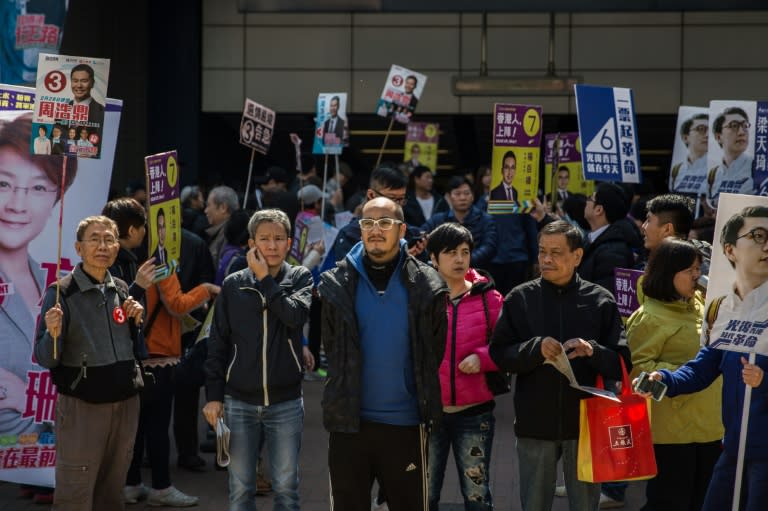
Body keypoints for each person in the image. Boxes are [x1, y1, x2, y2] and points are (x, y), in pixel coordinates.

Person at [489, 220, 631, 511]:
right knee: (534, 503)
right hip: (534, 421)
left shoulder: (600, 300)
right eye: (542, 252)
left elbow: (621, 363)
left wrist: (593, 351)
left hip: (586, 424)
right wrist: (535, 349)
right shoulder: (521, 297)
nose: (546, 259)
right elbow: (500, 353)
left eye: (556, 252)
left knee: (585, 504)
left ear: (577, 256)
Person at [318, 197, 447, 510]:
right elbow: (333, 348)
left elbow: (433, 351)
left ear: (401, 229)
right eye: (368, 222)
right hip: (349, 423)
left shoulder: (427, 285)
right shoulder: (338, 283)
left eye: (385, 222)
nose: (376, 229)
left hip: (405, 424)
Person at [204, 209, 313, 511]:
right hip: (239, 400)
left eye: (279, 239)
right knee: (240, 489)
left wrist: (266, 280)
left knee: (286, 488)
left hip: (286, 401)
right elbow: (218, 343)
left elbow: (294, 316)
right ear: (252, 242)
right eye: (264, 239)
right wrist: (214, 396)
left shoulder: (300, 277)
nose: (272, 246)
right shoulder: (233, 284)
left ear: (289, 242)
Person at [35, 216, 144, 510]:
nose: (103, 246)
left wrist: (136, 321)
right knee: (76, 487)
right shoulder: (62, 292)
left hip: (125, 402)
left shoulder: (121, 288)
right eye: (94, 239)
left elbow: (135, 348)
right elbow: (46, 357)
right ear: (78, 248)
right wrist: (53, 333)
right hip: (83, 406)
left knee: (113, 485)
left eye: (109, 239)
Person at [0, 113, 77, 504]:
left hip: (33, 452)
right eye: (3, 184)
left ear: (56, 199)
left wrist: (27, 394)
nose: (16, 204)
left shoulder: (55, 284)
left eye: (38, 188)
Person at [625, 239, 723, 510]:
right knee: (669, 502)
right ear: (669, 273)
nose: (697, 276)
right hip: (671, 431)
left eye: (698, 268)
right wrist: (679, 374)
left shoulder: (706, 308)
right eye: (690, 270)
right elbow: (639, 371)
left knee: (704, 500)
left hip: (711, 425)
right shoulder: (649, 316)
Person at [123, 241, 217, 507]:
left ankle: (131, 483)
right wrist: (206, 290)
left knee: (138, 426)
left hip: (135, 353)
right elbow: (177, 304)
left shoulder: (123, 260)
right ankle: (161, 487)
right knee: (157, 425)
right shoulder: (159, 260)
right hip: (160, 353)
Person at [426, 223, 503, 511]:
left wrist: (483, 358)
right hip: (428, 412)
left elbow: (507, 346)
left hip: (475, 413)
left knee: (477, 495)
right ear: (433, 258)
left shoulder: (489, 298)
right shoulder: (420, 297)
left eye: (465, 252)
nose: (459, 259)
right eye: (450, 253)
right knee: (425, 494)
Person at [706, 206, 768, 350]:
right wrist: (666, 374)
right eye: (758, 236)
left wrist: (763, 374)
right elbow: (706, 362)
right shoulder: (716, 308)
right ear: (730, 250)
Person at [422, 177, 498, 270]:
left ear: (473, 196)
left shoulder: (485, 219)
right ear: (449, 197)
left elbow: (489, 247)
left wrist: (464, 260)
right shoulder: (438, 219)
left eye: (466, 193)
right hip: (445, 273)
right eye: (457, 194)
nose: (462, 197)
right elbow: (422, 236)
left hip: (478, 271)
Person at [579, 183, 640, 295]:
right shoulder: (593, 239)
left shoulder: (613, 252)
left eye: (590, 198)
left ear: (599, 210)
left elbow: (601, 297)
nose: (585, 202)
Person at [704, 107, 755, 209]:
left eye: (745, 126)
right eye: (734, 126)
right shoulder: (713, 174)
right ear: (718, 137)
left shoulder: (757, 168)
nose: (741, 132)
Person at [669, 113, 709, 193]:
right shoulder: (677, 169)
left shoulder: (719, 169)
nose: (707, 135)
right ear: (685, 138)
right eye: (701, 129)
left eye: (710, 131)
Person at [204, 185, 240, 267]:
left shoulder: (229, 234)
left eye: (208, 205)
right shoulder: (222, 232)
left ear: (223, 208)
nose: (205, 211)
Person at [69, 63, 105, 129]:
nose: (79, 85)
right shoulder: (61, 109)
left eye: (84, 81)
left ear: (92, 83)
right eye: (75, 81)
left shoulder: (103, 112)